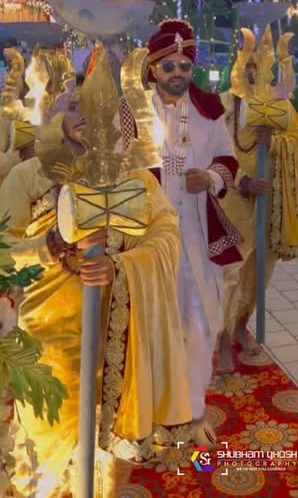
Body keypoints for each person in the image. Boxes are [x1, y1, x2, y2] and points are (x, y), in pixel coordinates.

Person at [0, 83, 191, 496]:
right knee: (44, 452)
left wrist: (121, 266)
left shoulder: (136, 179)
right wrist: (48, 246)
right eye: (74, 106)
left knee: (108, 452)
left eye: (99, 106)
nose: (87, 114)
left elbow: (167, 235)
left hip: (119, 339)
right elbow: (1, 251)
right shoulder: (27, 176)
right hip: (49, 344)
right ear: (56, 115)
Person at [146, 18, 241, 447]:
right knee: (153, 325)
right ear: (153, 68)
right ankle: (151, 410)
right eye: (169, 66)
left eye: (185, 65)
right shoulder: (132, 112)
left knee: (200, 325)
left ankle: (194, 411)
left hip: (197, 235)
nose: (178, 73)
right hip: (148, 240)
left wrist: (213, 178)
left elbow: (228, 158)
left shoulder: (208, 109)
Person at [217, 44, 298, 372]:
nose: (254, 73)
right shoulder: (225, 103)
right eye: (249, 66)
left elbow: (297, 139)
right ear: (239, 68)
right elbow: (212, 150)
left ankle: (241, 327)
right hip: (232, 201)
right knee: (230, 274)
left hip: (270, 202)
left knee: (260, 274)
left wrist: (275, 143)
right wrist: (241, 180)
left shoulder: (280, 105)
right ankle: (222, 339)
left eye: (260, 67)